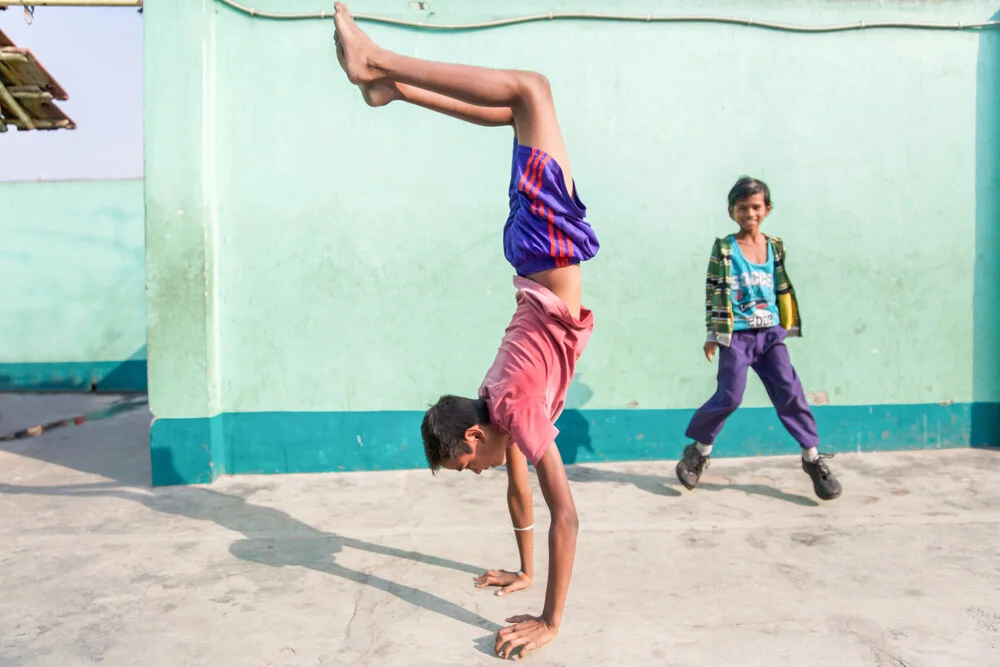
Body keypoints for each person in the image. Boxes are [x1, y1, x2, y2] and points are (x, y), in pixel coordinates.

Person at [332, 4, 599, 660]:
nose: (475, 471)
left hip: (547, 248)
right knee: (519, 106)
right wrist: (525, 570)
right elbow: (520, 488)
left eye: (464, 462)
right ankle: (390, 89)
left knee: (529, 90)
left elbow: (567, 512)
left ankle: (380, 62)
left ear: (473, 434)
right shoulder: (498, 403)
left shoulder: (513, 409)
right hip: (532, 253)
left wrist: (549, 618)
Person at [677, 176, 842, 501]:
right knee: (730, 396)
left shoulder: (775, 246)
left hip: (770, 336)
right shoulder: (724, 248)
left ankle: (812, 460)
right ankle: (698, 452)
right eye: (742, 207)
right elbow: (714, 290)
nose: (749, 213)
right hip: (736, 336)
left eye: (756, 207)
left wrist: (786, 324)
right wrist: (713, 333)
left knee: (790, 393)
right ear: (731, 211)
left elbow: (781, 286)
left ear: (767, 209)